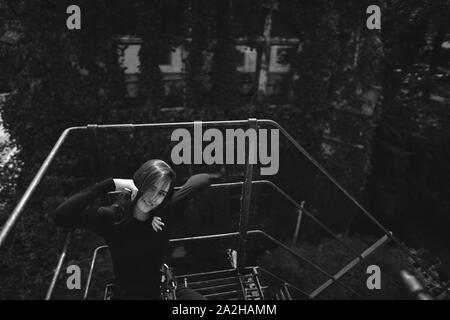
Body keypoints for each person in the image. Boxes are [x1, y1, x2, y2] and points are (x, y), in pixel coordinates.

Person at [51, 159, 211, 300]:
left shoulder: (164, 211)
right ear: (139, 183)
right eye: (151, 188)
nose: (154, 198)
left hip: (163, 284)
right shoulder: (112, 218)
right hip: (131, 293)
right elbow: (61, 215)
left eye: (161, 193)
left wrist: (158, 211)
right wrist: (111, 183)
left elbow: (203, 179)